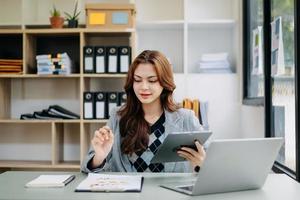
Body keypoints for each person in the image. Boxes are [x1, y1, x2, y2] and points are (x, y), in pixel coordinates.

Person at [81, 50, 206, 173]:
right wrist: (99, 157)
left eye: (152, 80)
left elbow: (213, 162)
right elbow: (86, 167)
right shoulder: (117, 116)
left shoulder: (186, 118)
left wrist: (202, 163)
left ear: (164, 83)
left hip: (168, 193)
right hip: (128, 193)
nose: (143, 87)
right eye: (137, 80)